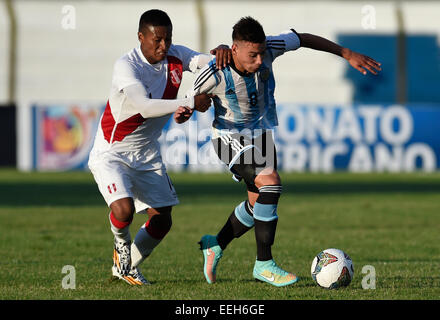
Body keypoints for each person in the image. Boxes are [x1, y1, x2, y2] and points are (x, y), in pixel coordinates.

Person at [179, 16, 381, 287]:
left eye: (262, 53)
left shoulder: (270, 48)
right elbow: (185, 109)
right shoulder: (215, 71)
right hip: (230, 138)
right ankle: (264, 264)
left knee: (256, 204)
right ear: (234, 49)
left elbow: (303, 38)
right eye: (253, 55)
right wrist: (193, 107)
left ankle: (215, 244)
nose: (260, 60)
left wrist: (346, 53)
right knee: (271, 182)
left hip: (262, 134)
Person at [88, 9, 231, 285]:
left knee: (163, 219)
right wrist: (189, 101)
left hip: (146, 153)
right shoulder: (127, 66)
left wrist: (224, 53)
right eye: (157, 40)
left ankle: (124, 266)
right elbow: (143, 106)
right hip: (112, 152)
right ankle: (122, 248)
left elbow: (206, 62)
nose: (163, 46)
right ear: (141, 37)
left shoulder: (175, 55)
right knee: (124, 210)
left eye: (167, 39)